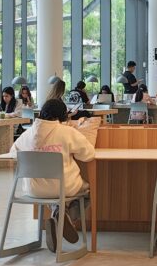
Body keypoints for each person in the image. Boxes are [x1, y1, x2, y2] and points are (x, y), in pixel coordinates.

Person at [10, 98, 96, 252]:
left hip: (33, 190)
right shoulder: (67, 132)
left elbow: (12, 154)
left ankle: (58, 212)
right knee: (88, 192)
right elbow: (88, 154)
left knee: (51, 191)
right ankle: (62, 217)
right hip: (64, 187)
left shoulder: (27, 134)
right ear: (62, 115)